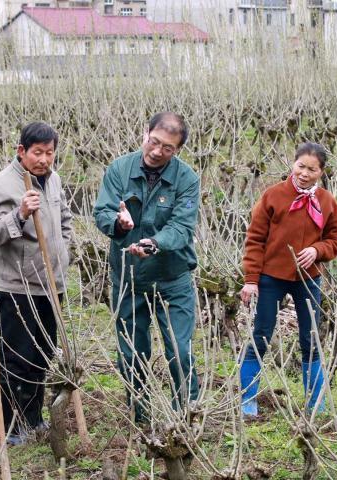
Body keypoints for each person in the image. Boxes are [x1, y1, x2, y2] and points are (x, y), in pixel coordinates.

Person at [93, 112, 200, 423]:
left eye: (168, 148)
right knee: (131, 352)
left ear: (177, 150)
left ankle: (186, 415)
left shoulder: (187, 179)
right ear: (145, 133)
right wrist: (118, 222)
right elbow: (102, 210)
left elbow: (182, 228)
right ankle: (140, 416)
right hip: (128, 277)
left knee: (179, 350)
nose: (157, 151)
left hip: (172, 276)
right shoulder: (119, 170)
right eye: (154, 142)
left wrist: (154, 243)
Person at [239, 142, 337, 417]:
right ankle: (247, 399)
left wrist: (317, 250)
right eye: (301, 166)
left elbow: (336, 239)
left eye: (312, 169)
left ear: (321, 172)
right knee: (260, 335)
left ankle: (315, 404)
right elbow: (254, 239)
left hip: (308, 279)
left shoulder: (327, 202)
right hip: (270, 278)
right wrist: (251, 278)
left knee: (311, 339)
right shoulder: (273, 196)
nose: (305, 173)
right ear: (292, 164)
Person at [0, 122, 73, 445]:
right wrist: (20, 214)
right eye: (37, 153)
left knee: (42, 356)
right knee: (17, 358)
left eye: (50, 153)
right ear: (21, 151)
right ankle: (11, 427)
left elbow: (65, 220)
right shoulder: (3, 184)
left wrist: (62, 251)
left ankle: (33, 419)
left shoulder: (54, 180)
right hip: (18, 287)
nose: (44, 159)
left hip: (52, 284)